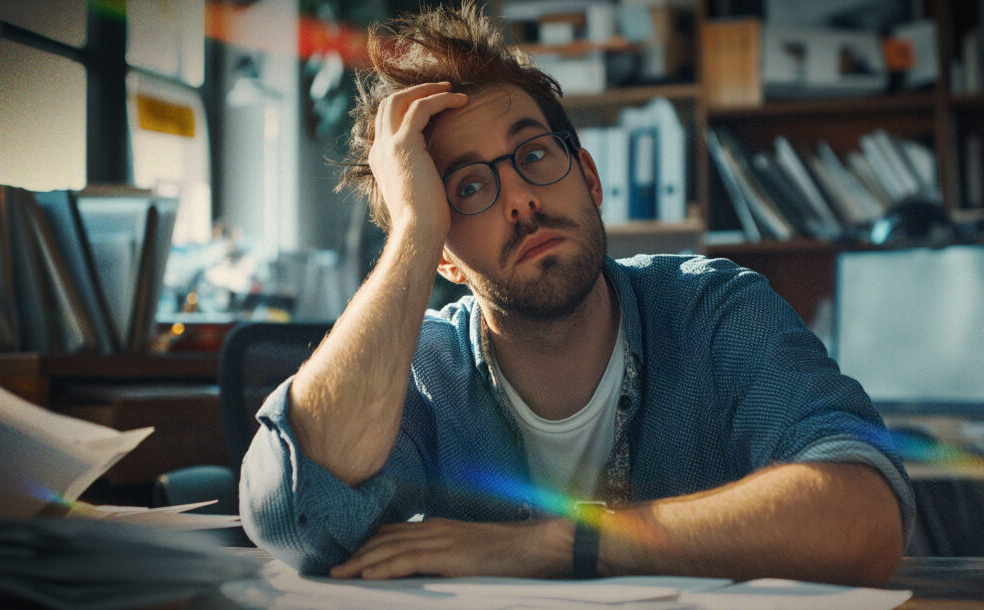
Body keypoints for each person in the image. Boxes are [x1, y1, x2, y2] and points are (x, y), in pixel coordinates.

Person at [240, 1, 913, 586]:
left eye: (534, 155)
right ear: (444, 255)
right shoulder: (423, 373)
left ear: (588, 178)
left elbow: (865, 514)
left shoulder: (715, 313)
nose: (522, 198)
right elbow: (295, 515)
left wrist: (565, 544)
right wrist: (412, 230)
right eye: (469, 188)